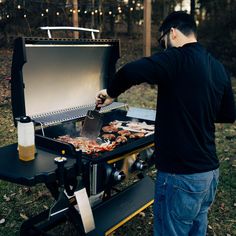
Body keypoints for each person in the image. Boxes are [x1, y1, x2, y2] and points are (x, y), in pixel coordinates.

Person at [95, 11, 236, 236]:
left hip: (180, 176)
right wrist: (198, 111)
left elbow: (131, 71)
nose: (164, 48)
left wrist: (111, 93)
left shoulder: (176, 58)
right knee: (196, 230)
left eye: (162, 42)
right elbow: (229, 114)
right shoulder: (217, 67)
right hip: (209, 174)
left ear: (172, 33)